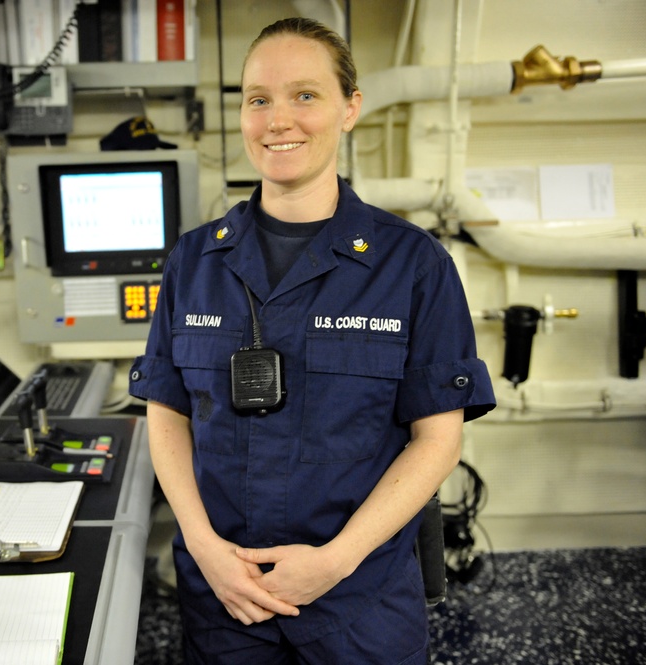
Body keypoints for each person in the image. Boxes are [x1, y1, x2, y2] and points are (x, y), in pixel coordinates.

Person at [128, 16, 496, 664]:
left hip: (360, 601)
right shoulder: (192, 262)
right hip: (226, 597)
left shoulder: (412, 264)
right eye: (257, 99)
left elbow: (437, 440)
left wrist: (335, 560)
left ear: (349, 108)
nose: (278, 119)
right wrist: (205, 548)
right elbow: (166, 416)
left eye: (305, 95)